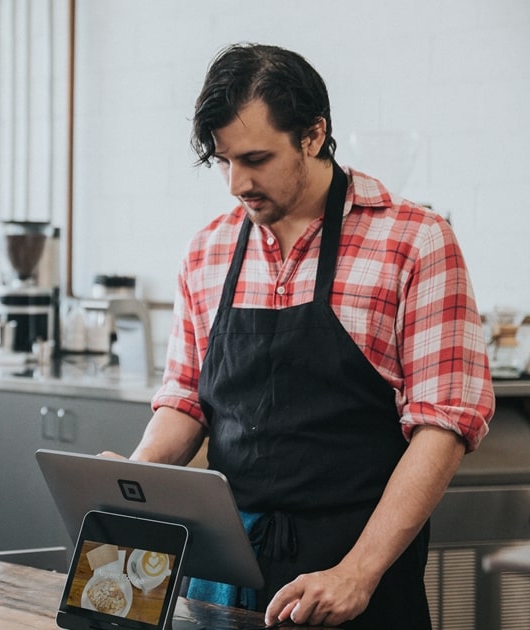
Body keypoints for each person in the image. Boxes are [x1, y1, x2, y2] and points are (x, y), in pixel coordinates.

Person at [104, 44, 494, 628]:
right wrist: (130, 483)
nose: (237, 183)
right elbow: (187, 399)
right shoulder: (208, 250)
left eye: (256, 158)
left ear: (314, 135)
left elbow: (444, 426)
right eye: (223, 161)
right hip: (224, 572)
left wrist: (357, 573)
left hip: (354, 572)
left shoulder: (415, 242)